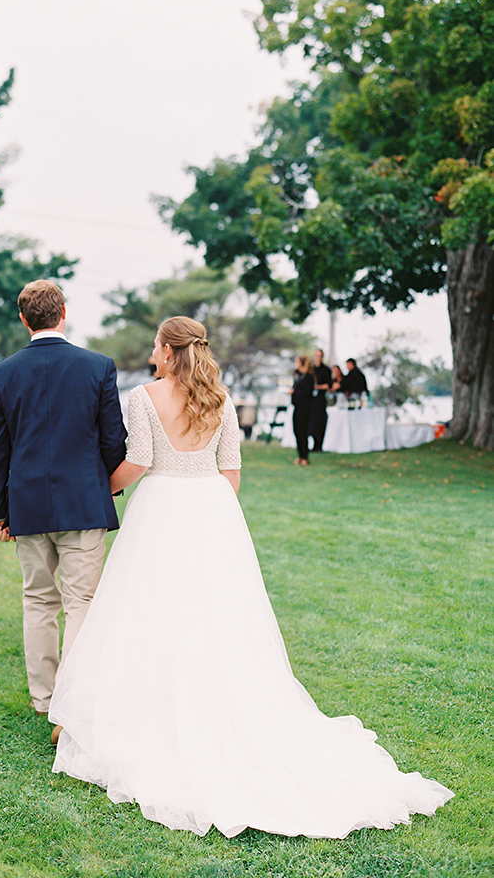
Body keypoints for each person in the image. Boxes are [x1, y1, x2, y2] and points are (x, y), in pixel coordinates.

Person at [48, 316, 452, 839]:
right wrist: (209, 514)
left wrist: (100, 489)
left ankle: (152, 709)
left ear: (169, 353)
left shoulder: (143, 397)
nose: (152, 353)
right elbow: (230, 472)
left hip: (160, 509)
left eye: (155, 346)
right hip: (213, 510)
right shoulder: (221, 398)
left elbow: (141, 460)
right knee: (217, 617)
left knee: (149, 612)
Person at [0, 280, 127, 717]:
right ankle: (73, 700)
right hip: (84, 502)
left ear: (24, 319)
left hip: (27, 504)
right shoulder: (98, 367)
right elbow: (113, 439)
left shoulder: (1, 374)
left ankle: (45, 700)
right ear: (63, 312)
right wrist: (110, 484)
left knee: (39, 601)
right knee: (81, 601)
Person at [289, 355, 315, 465]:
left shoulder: (308, 377)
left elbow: (307, 393)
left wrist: (294, 393)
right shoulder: (299, 376)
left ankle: (305, 457)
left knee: (303, 432)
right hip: (297, 406)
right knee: (297, 431)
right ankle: (300, 455)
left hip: (305, 408)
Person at [309, 348, 332, 452]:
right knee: (312, 422)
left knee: (320, 421)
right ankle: (313, 443)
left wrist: (317, 387)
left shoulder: (326, 370)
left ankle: (319, 445)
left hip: (320, 400)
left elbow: (328, 385)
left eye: (320, 356)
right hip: (311, 400)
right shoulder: (311, 369)